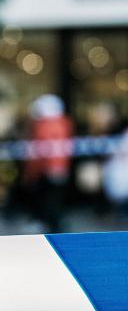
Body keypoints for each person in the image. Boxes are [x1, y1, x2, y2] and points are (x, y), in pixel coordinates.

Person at [23, 94, 73, 233]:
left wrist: (32, 172)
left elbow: (40, 150)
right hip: (58, 168)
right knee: (54, 199)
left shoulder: (44, 125)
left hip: (47, 169)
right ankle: (56, 226)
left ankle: (52, 226)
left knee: (49, 200)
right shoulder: (64, 123)